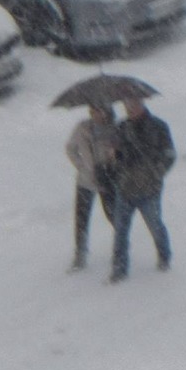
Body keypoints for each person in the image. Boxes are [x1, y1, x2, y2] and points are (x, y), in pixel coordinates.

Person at [107, 95, 174, 283]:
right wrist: (114, 156)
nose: (130, 108)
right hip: (125, 188)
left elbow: (169, 154)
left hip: (149, 188)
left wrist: (155, 173)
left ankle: (164, 257)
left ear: (142, 104)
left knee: (155, 225)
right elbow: (116, 161)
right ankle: (119, 269)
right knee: (120, 230)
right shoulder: (120, 128)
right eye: (127, 105)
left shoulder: (158, 126)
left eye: (134, 104)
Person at [64, 105, 118, 272]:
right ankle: (80, 253)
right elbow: (70, 148)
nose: (95, 114)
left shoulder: (114, 130)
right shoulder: (82, 128)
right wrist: (81, 166)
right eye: (92, 110)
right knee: (81, 218)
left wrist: (113, 157)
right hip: (85, 181)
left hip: (107, 179)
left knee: (113, 214)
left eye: (98, 110)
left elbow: (123, 152)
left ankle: (120, 246)